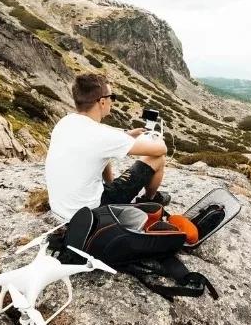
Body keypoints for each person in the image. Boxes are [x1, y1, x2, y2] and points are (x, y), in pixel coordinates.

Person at [45, 73, 170, 221]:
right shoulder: (102, 136)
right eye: (112, 97)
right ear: (102, 102)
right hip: (93, 213)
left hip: (62, 211)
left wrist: (127, 134)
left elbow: (100, 147)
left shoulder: (65, 122)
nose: (113, 101)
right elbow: (161, 150)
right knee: (157, 159)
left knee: (106, 163)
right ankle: (149, 200)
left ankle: (113, 188)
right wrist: (156, 137)